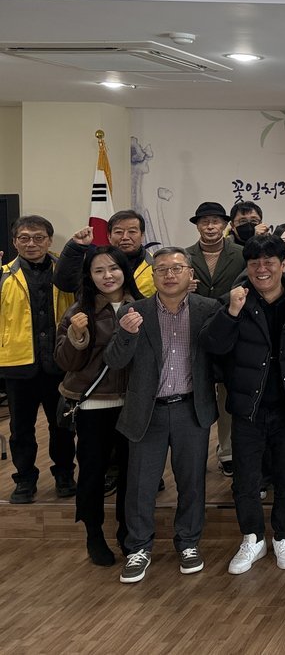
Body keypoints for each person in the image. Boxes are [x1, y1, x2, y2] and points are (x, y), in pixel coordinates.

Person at [199, 234, 285, 576]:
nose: (261, 269)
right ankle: (252, 538)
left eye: (269, 262)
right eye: (254, 263)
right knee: (246, 479)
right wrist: (232, 312)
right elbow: (212, 345)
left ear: (284, 264)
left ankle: (284, 536)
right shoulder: (232, 301)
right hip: (247, 407)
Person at [103, 247, 221, 584]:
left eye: (176, 268)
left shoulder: (208, 309)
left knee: (192, 481)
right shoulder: (134, 311)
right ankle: (138, 547)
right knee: (140, 484)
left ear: (190, 274)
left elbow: (221, 353)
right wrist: (126, 334)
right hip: (147, 410)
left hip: (191, 409)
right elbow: (114, 361)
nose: (169, 275)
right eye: (162, 269)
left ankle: (188, 543)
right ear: (152, 276)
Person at [54, 246, 142, 564]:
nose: (108, 276)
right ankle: (94, 534)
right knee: (93, 471)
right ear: (89, 276)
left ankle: (127, 533)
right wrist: (77, 336)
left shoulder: (142, 305)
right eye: (99, 270)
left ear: (124, 270)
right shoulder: (79, 310)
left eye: (113, 268)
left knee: (131, 472)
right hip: (94, 404)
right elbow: (65, 362)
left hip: (132, 403)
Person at [1, 214, 77, 504]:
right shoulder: (4, 275)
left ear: (49, 240)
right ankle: (25, 479)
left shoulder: (66, 273)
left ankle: (64, 475)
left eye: (38, 238)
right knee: (20, 429)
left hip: (60, 364)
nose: (31, 244)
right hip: (18, 365)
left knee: (62, 426)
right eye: (24, 238)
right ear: (14, 242)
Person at [184, 201, 246, 476]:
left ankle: (228, 451)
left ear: (225, 225)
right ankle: (191, 452)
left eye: (215, 221)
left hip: (231, 330)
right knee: (194, 393)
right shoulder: (184, 256)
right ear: (197, 225)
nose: (210, 227)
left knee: (228, 394)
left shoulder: (241, 254)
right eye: (204, 222)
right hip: (193, 332)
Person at [55, 210, 157, 298]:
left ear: (142, 236)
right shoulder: (94, 260)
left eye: (132, 232)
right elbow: (66, 285)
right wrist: (76, 248)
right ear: (109, 236)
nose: (125, 237)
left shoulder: (155, 264)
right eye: (118, 232)